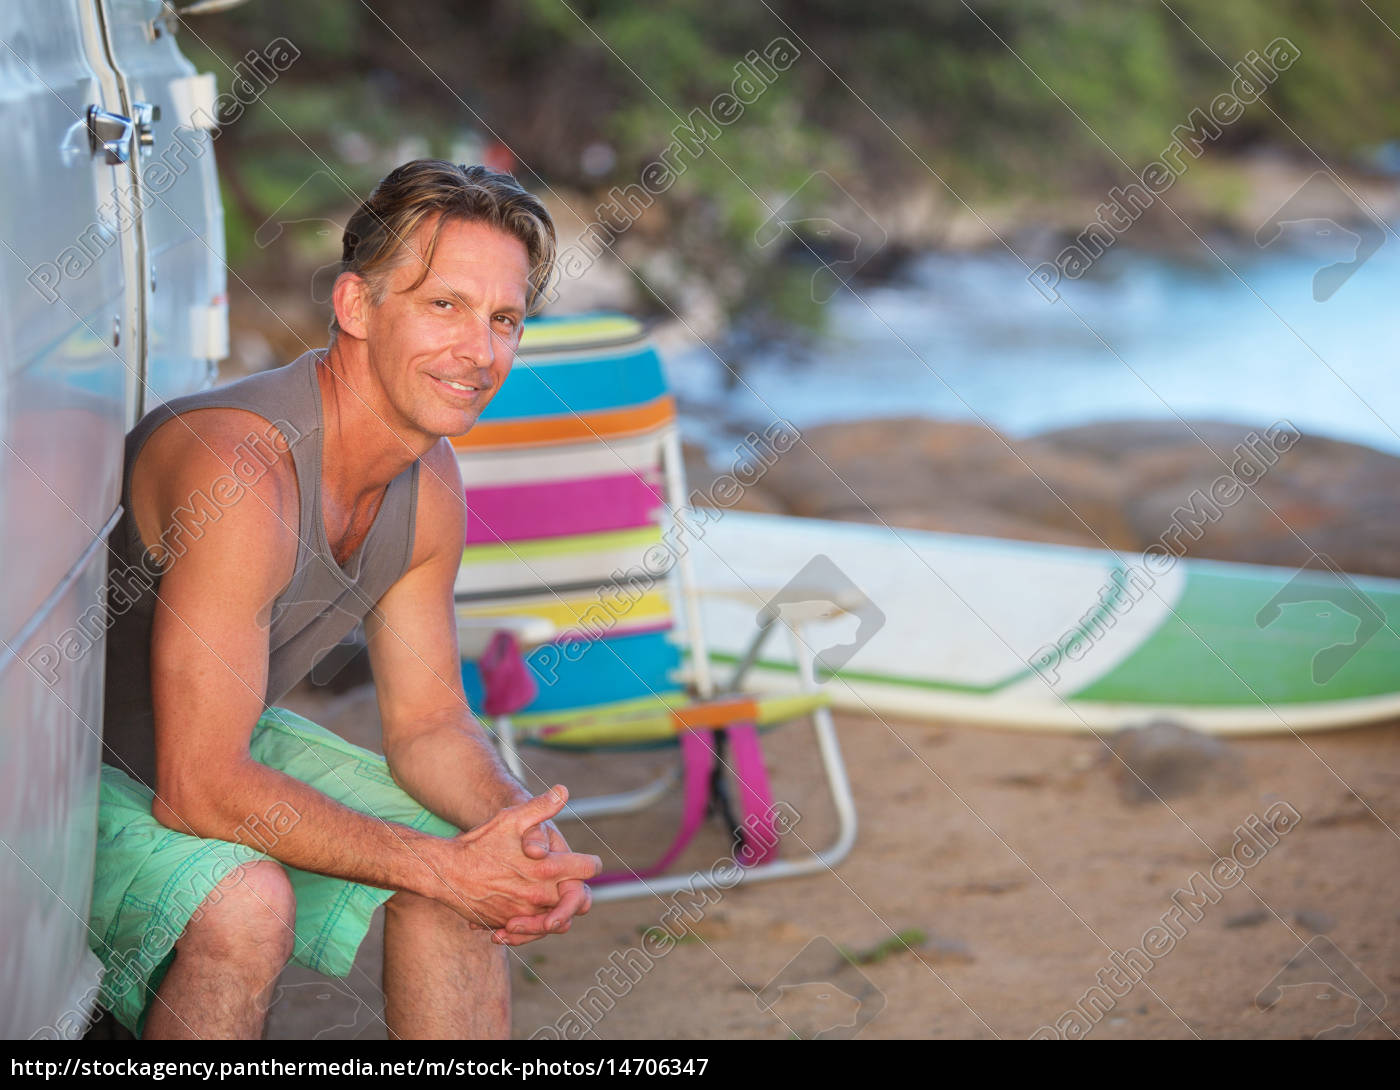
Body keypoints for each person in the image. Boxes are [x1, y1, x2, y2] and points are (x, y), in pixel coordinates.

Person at [89, 159, 599, 1040]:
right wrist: (441, 869)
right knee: (247, 902)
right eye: (444, 305)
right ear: (357, 307)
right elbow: (198, 788)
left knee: (475, 856)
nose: (479, 351)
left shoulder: (429, 478)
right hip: (58, 770)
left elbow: (430, 724)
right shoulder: (240, 471)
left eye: (504, 318)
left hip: (207, 737)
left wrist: (517, 833)